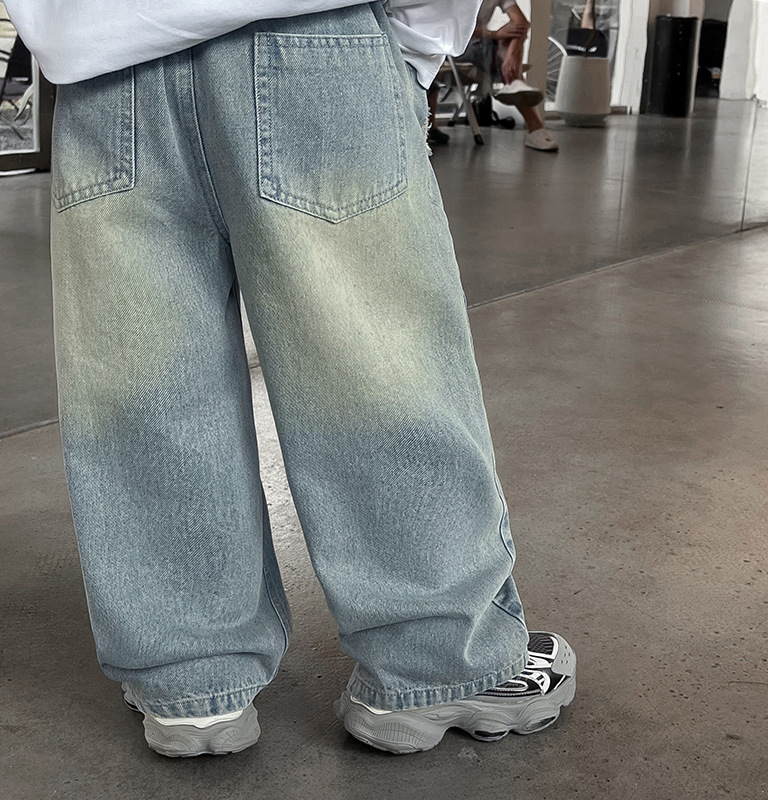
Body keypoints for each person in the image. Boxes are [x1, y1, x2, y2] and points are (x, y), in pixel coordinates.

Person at [5, 0, 576, 757]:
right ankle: (439, 664)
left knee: (143, 385)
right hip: (313, 40)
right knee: (373, 361)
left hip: (103, 72)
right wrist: (413, 45)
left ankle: (189, 681)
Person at [455, 0, 560, 151]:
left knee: (507, 38)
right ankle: (534, 126)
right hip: (455, 46)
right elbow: (451, 29)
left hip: (482, 45)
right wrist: (495, 34)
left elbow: (521, 22)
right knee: (497, 42)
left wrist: (511, 55)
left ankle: (513, 80)